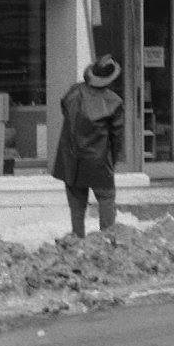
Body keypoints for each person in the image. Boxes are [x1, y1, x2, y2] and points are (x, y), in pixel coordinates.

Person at [51, 55, 125, 238]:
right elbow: (117, 138)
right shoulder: (114, 102)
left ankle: (77, 241)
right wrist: (112, 161)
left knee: (76, 205)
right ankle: (106, 242)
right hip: (99, 161)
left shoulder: (73, 92)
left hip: (72, 160)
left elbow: (65, 110)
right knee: (106, 199)